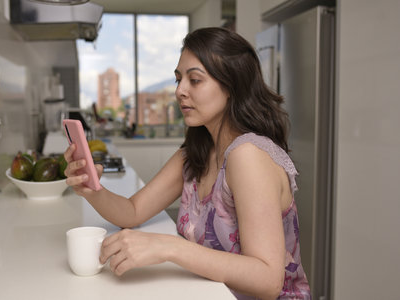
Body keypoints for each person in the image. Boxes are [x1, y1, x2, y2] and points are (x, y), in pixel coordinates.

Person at [64, 27, 311, 300]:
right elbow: (132, 211)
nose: (180, 91)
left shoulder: (248, 155)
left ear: (232, 86)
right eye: (178, 79)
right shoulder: (197, 152)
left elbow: (268, 280)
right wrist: (92, 188)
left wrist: (170, 248)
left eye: (195, 80)